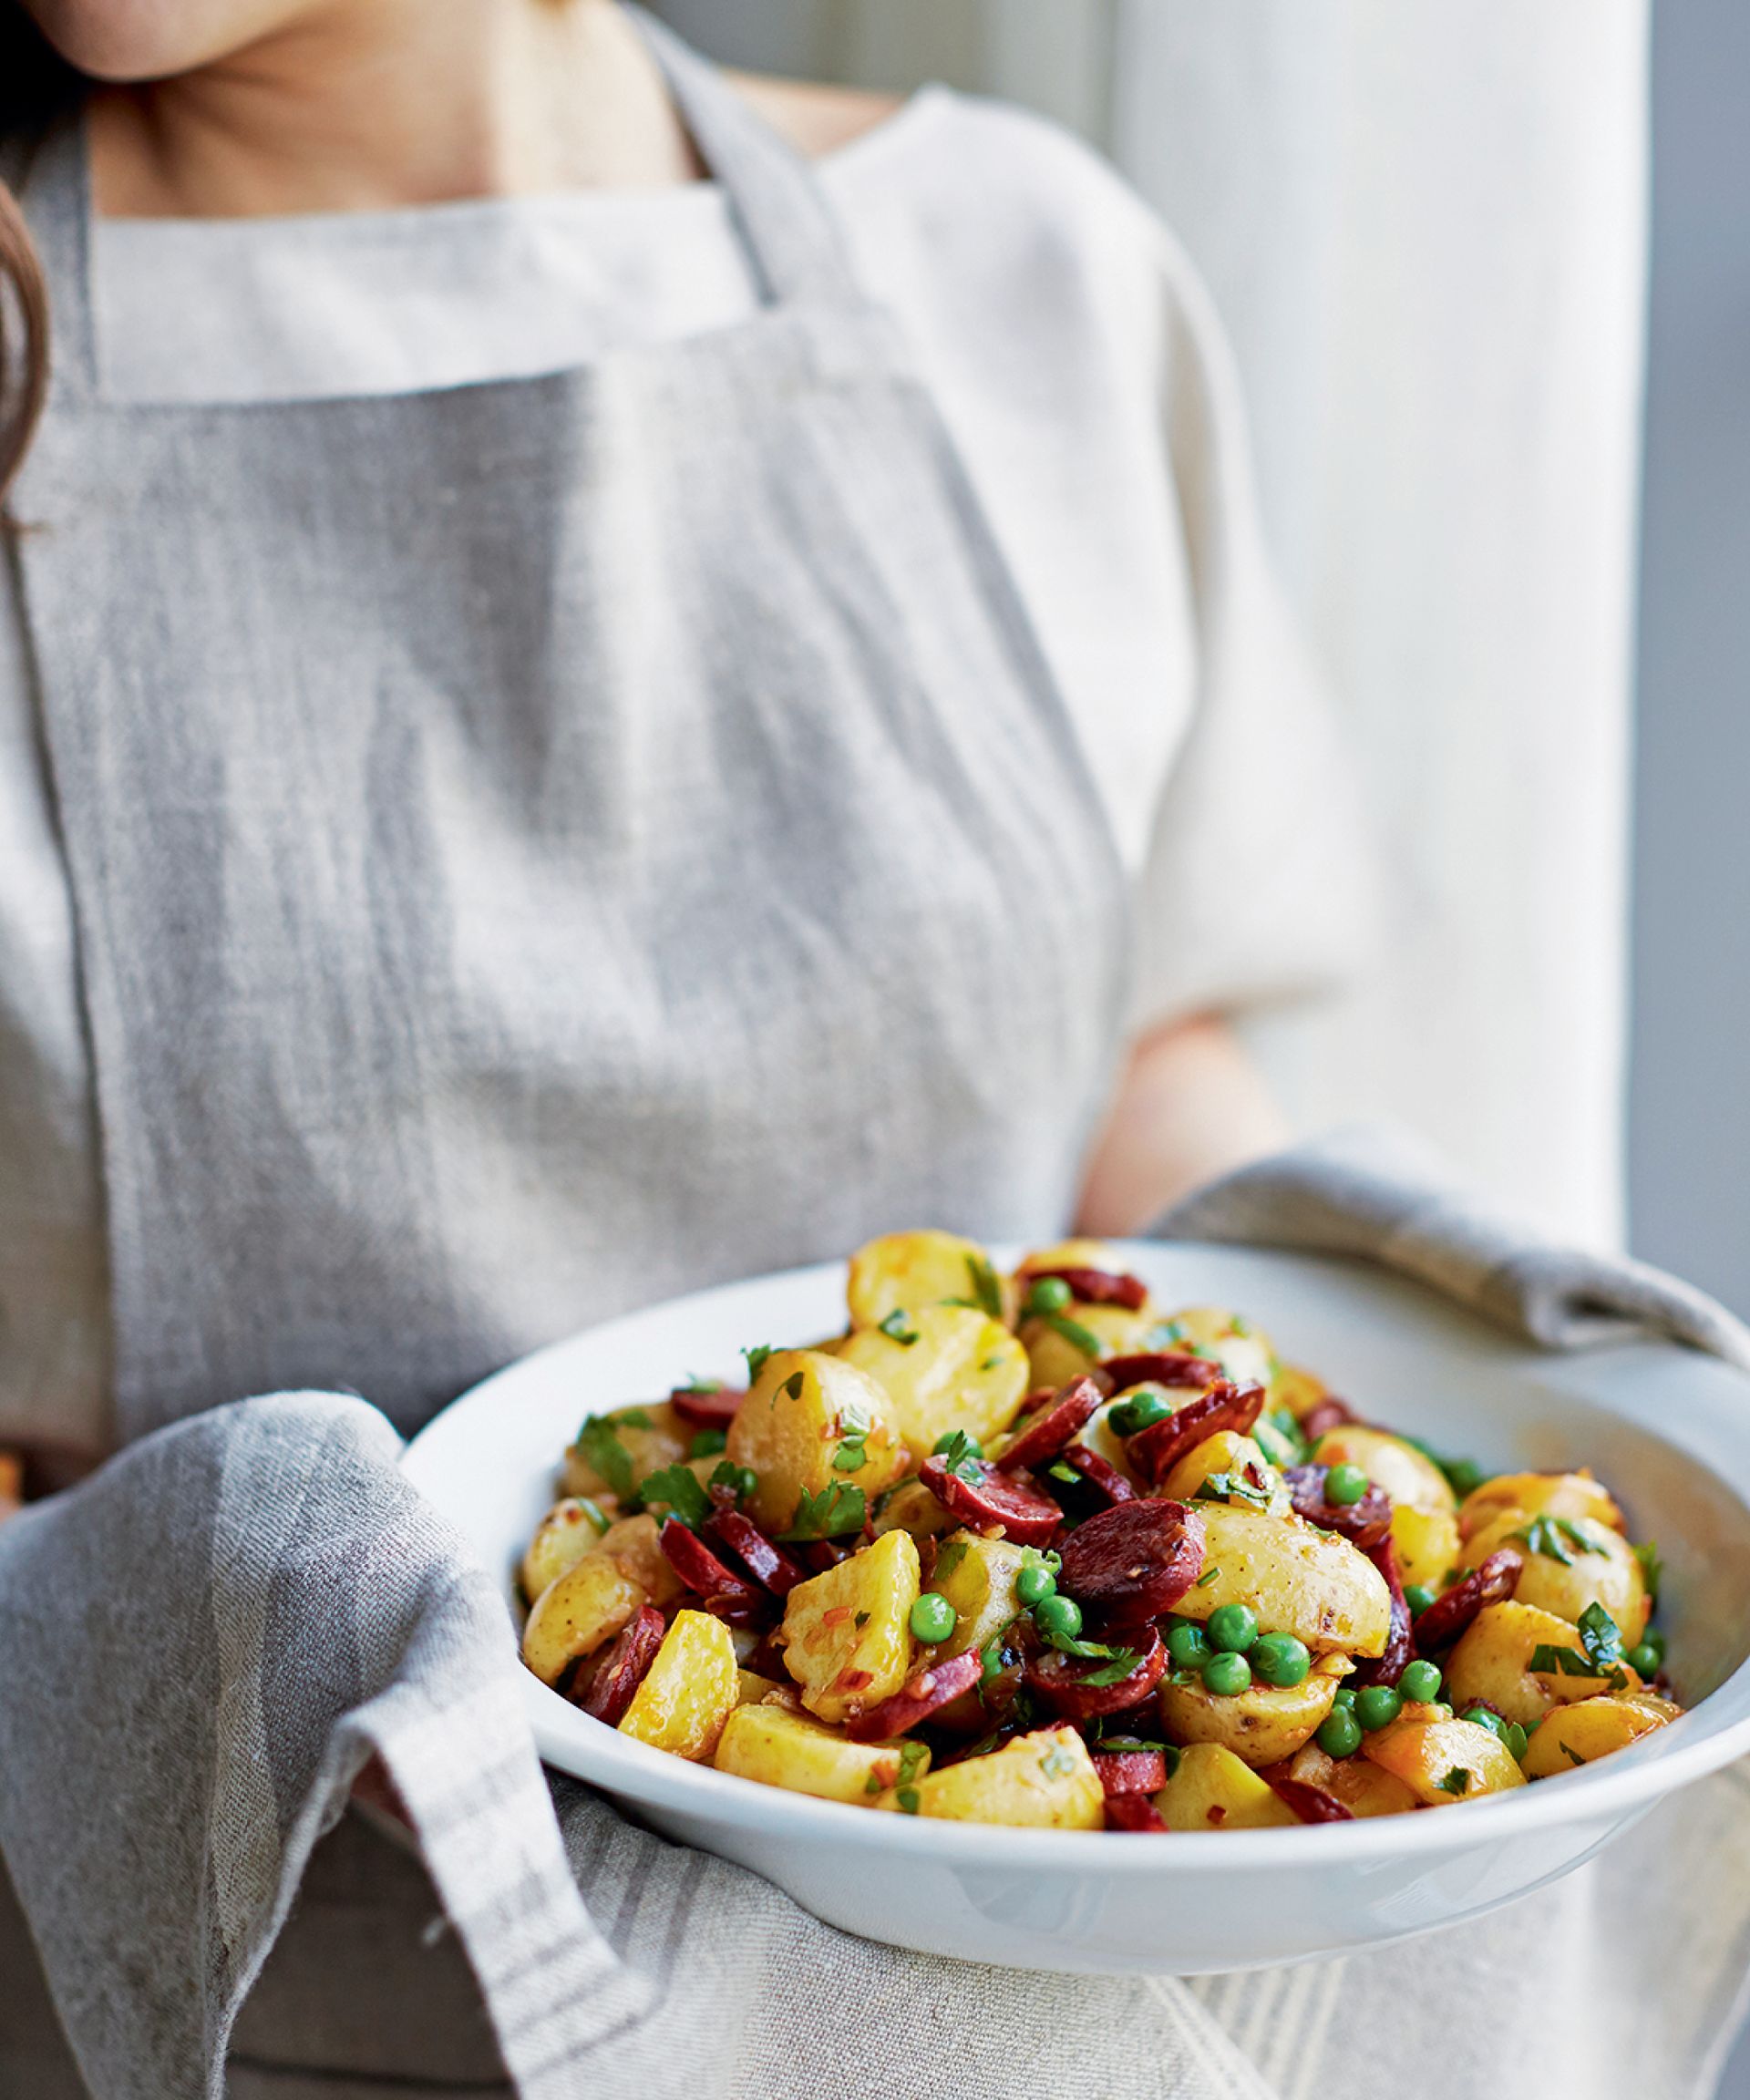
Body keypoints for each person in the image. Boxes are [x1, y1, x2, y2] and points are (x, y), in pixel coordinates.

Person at [0, 0, 1374, 2084]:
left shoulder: (1020, 267)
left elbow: (1133, 1057)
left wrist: (1297, 1461)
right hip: (217, 2008)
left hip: (1068, 2017)